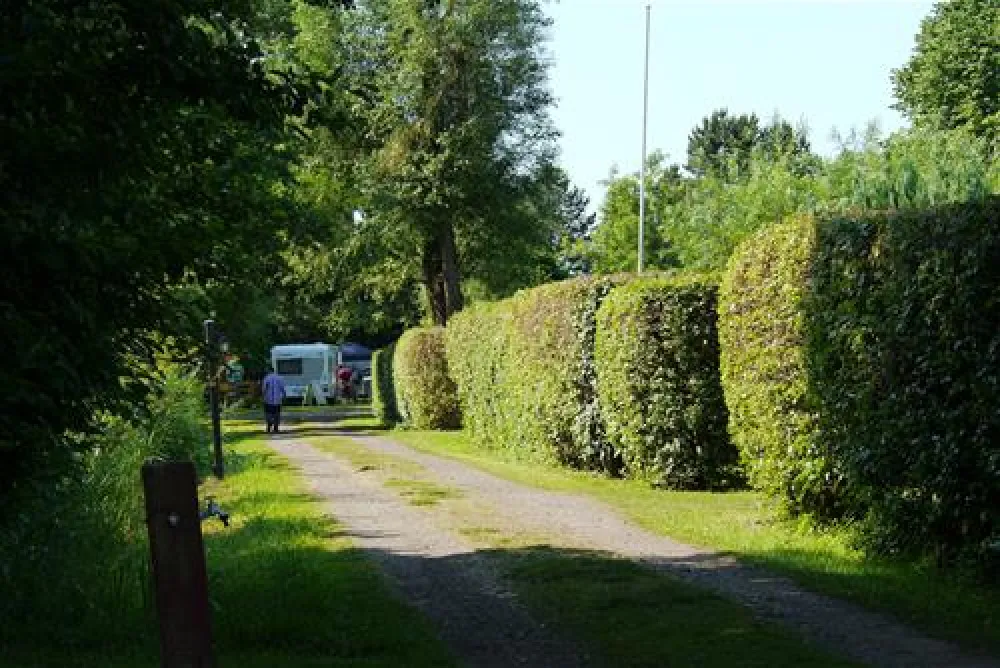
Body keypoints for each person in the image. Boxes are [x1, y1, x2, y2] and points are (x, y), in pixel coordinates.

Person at [261, 365, 286, 434]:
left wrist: (263, 397)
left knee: (268, 413)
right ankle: (276, 428)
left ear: (269, 370)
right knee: (277, 414)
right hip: (277, 400)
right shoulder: (279, 378)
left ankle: (269, 427)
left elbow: (264, 389)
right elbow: (282, 388)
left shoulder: (266, 378)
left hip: (268, 399)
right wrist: (284, 396)